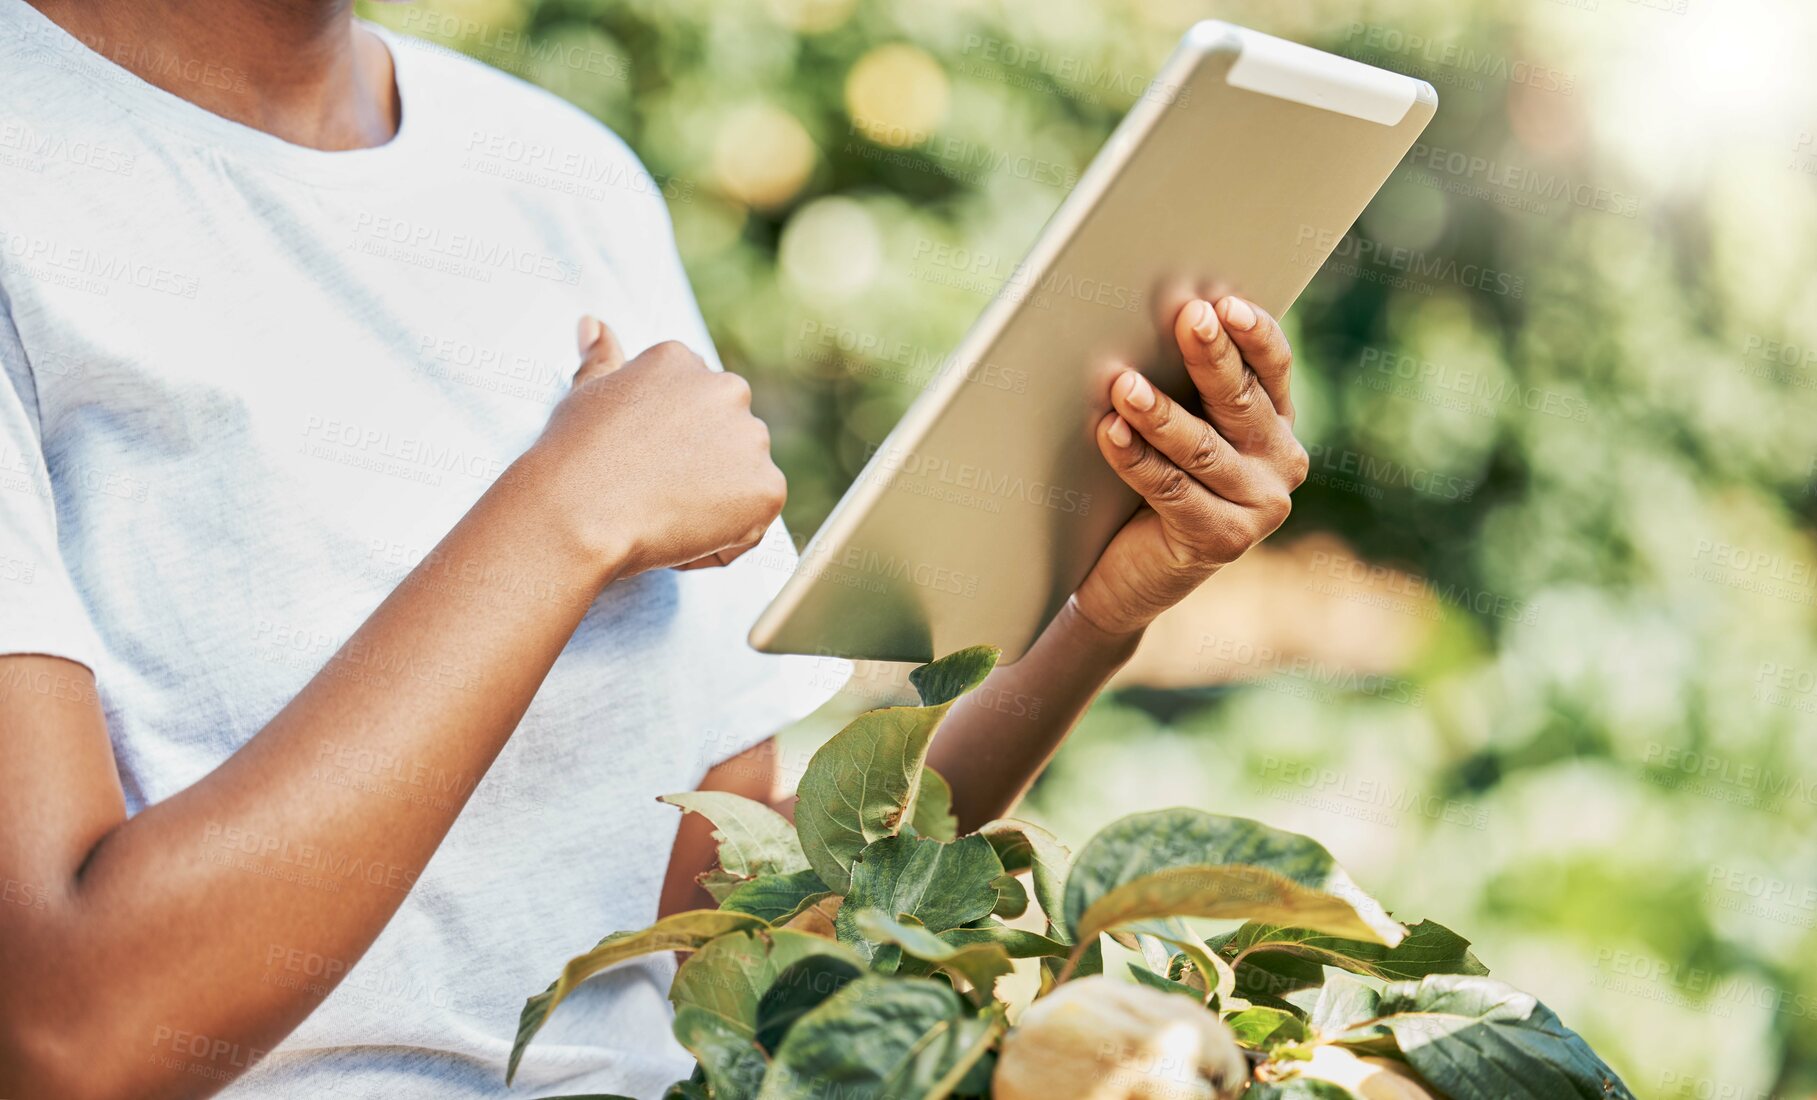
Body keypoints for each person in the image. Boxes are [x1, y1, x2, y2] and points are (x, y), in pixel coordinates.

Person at [0, 0, 1311, 1096]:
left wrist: (1098, 613)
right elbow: (71, 1032)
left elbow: (731, 931)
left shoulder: (561, 181)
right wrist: (561, 515)